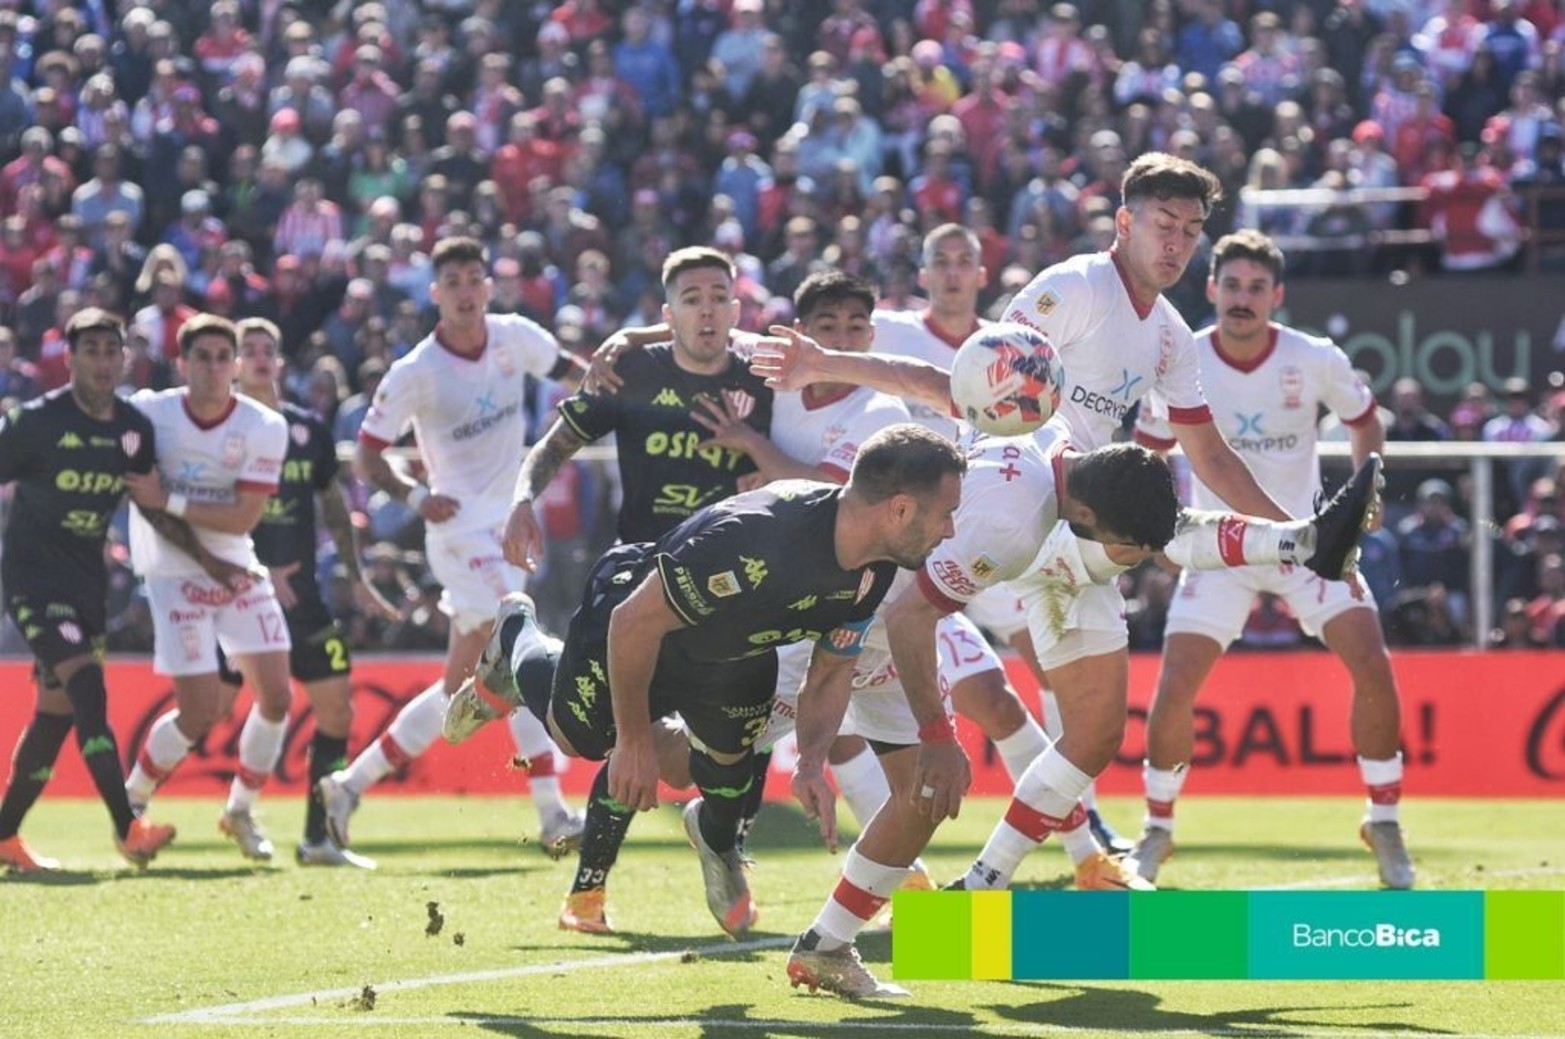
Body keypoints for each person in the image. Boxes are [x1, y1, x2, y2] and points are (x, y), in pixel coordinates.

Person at [751, 152, 1383, 900]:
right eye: (1163, 224)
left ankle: (986, 881)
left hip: (1073, 516)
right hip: (1004, 498)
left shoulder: (1171, 335)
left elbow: (1209, 451)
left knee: (1093, 731)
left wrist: (1292, 522)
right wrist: (826, 362)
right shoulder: (1073, 290)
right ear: (1124, 222)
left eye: (1190, 231)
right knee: (841, 693)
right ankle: (732, 787)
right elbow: (968, 389)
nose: (1176, 243)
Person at [698, 269, 1143, 894]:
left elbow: (839, 482)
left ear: (872, 332)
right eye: (828, 328)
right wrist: (621, 346)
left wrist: (760, 455)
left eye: (855, 327)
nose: (843, 337)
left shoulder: (878, 408)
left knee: (993, 700)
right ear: (802, 331)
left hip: (934, 561)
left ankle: (1082, 853)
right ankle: (891, 874)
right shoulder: (777, 384)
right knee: (778, 734)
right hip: (839, 584)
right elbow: (710, 334)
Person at [447, 424, 967, 940]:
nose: (949, 531)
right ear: (900, 510)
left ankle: (721, 849)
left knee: (713, 772)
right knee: (578, 738)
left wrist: (811, 761)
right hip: (641, 624)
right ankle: (517, 636)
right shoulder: (757, 537)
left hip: (735, 659)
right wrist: (632, 741)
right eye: (946, 514)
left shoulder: (876, 568)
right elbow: (634, 622)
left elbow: (830, 670)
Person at [784, 435, 1185, 999]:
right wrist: (938, 733)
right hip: (825, 630)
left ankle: (824, 946)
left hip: (875, 630)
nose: (1125, 564)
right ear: (1086, 515)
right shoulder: (1013, 526)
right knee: (684, 760)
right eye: (1125, 551)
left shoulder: (1036, 444)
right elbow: (911, 617)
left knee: (924, 796)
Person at [498, 245, 774, 933]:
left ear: (737, 309)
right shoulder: (631, 372)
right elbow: (555, 443)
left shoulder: (764, 377)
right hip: (641, 582)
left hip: (733, 589)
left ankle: (722, 847)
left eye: (719, 297)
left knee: (745, 731)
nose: (706, 311)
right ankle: (586, 892)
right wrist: (523, 498)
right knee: (600, 735)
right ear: (668, 313)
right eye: (691, 299)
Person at [1127, 230, 1415, 890]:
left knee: (1372, 664)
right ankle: (1157, 828)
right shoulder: (1181, 361)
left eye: (1256, 287)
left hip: (1308, 547)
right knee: (1174, 687)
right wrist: (1157, 533)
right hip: (1219, 547)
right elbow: (1147, 454)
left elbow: (1364, 418)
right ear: (1211, 289)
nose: (1242, 298)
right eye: (1231, 285)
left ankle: (1384, 820)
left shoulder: (1311, 356)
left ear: (1276, 296)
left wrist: (1366, 491)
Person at [318, 237, 586, 855]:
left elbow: (580, 376)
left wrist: (619, 388)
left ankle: (347, 786)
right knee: (519, 652)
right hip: (460, 535)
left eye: (474, 279)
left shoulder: (516, 337)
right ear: (436, 294)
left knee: (458, 688)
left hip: (509, 529)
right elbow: (366, 456)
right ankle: (552, 813)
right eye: (453, 283)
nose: (466, 292)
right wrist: (416, 497)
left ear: (489, 286)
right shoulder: (416, 372)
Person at [870, 221, 1130, 855]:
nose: (953, 272)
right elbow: (823, 345)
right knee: (979, 697)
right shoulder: (890, 332)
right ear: (923, 274)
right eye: (941, 261)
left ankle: (1083, 817)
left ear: (983, 274)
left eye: (964, 260)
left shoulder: (1013, 347)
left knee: (1055, 670)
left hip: (998, 534)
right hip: (916, 545)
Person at [0, 309, 196, 871]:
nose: (103, 362)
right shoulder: (35, 422)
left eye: (112, 351)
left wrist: (208, 560)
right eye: (92, 351)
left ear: (125, 358)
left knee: (56, 716)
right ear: (70, 358)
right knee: (87, 688)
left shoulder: (133, 429)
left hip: (87, 587)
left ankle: (4, 836)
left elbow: (150, 507)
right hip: (33, 582)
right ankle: (128, 827)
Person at [120, 314, 296, 861]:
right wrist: (168, 514)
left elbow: (243, 517)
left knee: (277, 696)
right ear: (182, 364)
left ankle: (240, 810)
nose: (214, 368)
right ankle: (130, 803)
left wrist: (168, 498)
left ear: (236, 366)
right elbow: (138, 496)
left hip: (236, 564)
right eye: (203, 357)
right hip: (172, 573)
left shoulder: (265, 426)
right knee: (199, 712)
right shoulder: (149, 413)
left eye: (224, 358)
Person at [222, 318, 396, 867]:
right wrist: (252, 569)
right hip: (234, 596)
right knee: (206, 710)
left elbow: (335, 509)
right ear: (234, 364)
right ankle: (145, 807)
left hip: (303, 599)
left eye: (266, 349)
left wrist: (357, 577)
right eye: (247, 349)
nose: (258, 357)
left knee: (337, 710)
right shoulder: (219, 430)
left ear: (279, 362)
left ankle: (318, 838)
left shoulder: (307, 430)